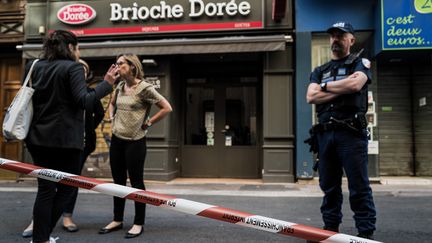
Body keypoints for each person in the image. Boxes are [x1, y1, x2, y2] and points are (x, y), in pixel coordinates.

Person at [24, 30, 118, 243]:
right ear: (70, 47)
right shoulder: (73, 67)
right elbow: (84, 101)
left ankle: (41, 239)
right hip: (66, 141)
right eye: (78, 47)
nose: (78, 51)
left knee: (45, 190)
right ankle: (43, 236)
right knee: (67, 189)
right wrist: (106, 84)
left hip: (37, 139)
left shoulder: (34, 66)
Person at [305, 22, 376, 240]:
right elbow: (311, 97)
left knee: (359, 187)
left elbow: (356, 86)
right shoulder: (320, 70)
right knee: (329, 187)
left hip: (351, 134)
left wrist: (325, 87)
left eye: (341, 35)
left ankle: (365, 234)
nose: (335, 39)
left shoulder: (360, 63)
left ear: (351, 40)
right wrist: (341, 88)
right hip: (325, 135)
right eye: (333, 36)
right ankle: (330, 232)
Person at [99, 54, 172, 239]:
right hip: (117, 140)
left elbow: (167, 107)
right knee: (118, 183)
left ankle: (139, 222)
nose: (117, 66)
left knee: (136, 183)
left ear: (132, 66)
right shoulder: (120, 86)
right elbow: (112, 104)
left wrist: (149, 122)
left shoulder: (144, 88)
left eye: (121, 63)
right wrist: (112, 117)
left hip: (135, 142)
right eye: (116, 63)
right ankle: (117, 219)